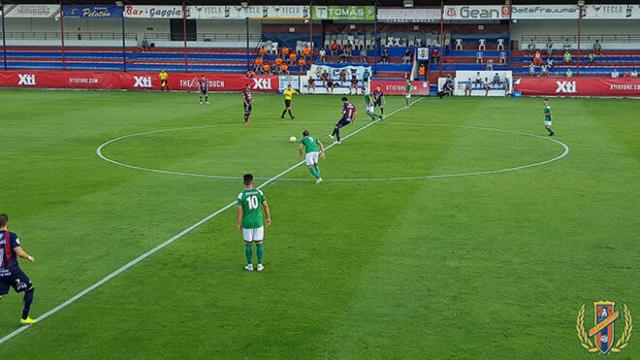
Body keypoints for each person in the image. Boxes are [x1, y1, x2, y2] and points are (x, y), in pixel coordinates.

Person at [0, 214, 37, 325]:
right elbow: (20, 253)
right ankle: (25, 318)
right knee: (29, 289)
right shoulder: (11, 236)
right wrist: (29, 257)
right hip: (12, 271)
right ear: (7, 223)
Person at [236, 174, 271, 272]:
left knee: (248, 244)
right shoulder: (259, 192)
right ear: (252, 181)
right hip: (258, 222)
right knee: (259, 243)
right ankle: (260, 265)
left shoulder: (241, 195)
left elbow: (240, 211)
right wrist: (268, 217)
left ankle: (250, 265)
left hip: (247, 223)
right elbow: (265, 205)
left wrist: (238, 224)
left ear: (244, 182)